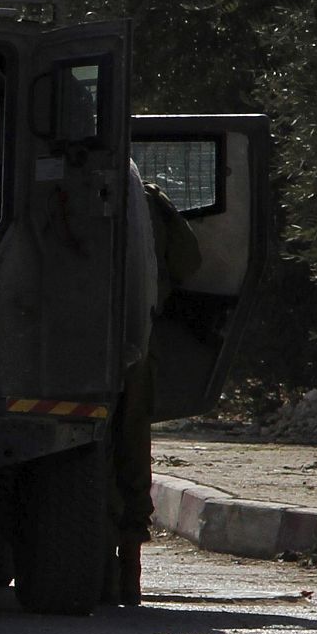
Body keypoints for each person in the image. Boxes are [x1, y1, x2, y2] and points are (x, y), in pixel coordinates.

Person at [111, 164, 203, 606]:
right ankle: (128, 564)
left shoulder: (32, 182)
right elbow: (188, 261)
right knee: (130, 445)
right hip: (135, 339)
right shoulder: (143, 197)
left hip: (54, 344)